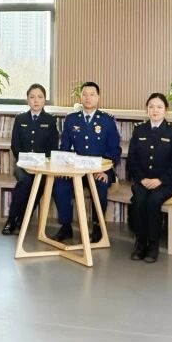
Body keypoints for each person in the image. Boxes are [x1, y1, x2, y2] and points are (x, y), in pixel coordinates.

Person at [50, 82, 122, 243]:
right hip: (75, 169)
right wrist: (65, 169)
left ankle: (97, 227)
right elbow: (65, 147)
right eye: (84, 94)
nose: (88, 98)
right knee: (60, 185)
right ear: (80, 97)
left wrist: (105, 171)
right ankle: (66, 226)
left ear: (98, 97)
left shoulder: (107, 120)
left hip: (99, 170)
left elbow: (115, 150)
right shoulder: (71, 119)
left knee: (100, 186)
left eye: (92, 94)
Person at [126, 93, 172, 263]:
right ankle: (140, 244)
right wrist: (141, 178)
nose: (155, 110)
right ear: (147, 109)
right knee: (139, 200)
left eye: (159, 107)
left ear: (166, 110)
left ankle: (153, 245)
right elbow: (132, 159)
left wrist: (160, 180)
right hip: (142, 180)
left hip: (165, 182)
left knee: (153, 201)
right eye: (151, 107)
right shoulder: (139, 130)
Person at [3, 84, 59, 235]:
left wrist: (42, 163)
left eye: (40, 97)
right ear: (27, 100)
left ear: (44, 100)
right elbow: (15, 145)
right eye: (32, 97)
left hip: (43, 166)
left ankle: (22, 219)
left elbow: (53, 147)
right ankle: (11, 220)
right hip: (23, 164)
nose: (36, 100)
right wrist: (25, 161)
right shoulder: (20, 119)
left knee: (39, 183)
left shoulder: (50, 120)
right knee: (25, 181)